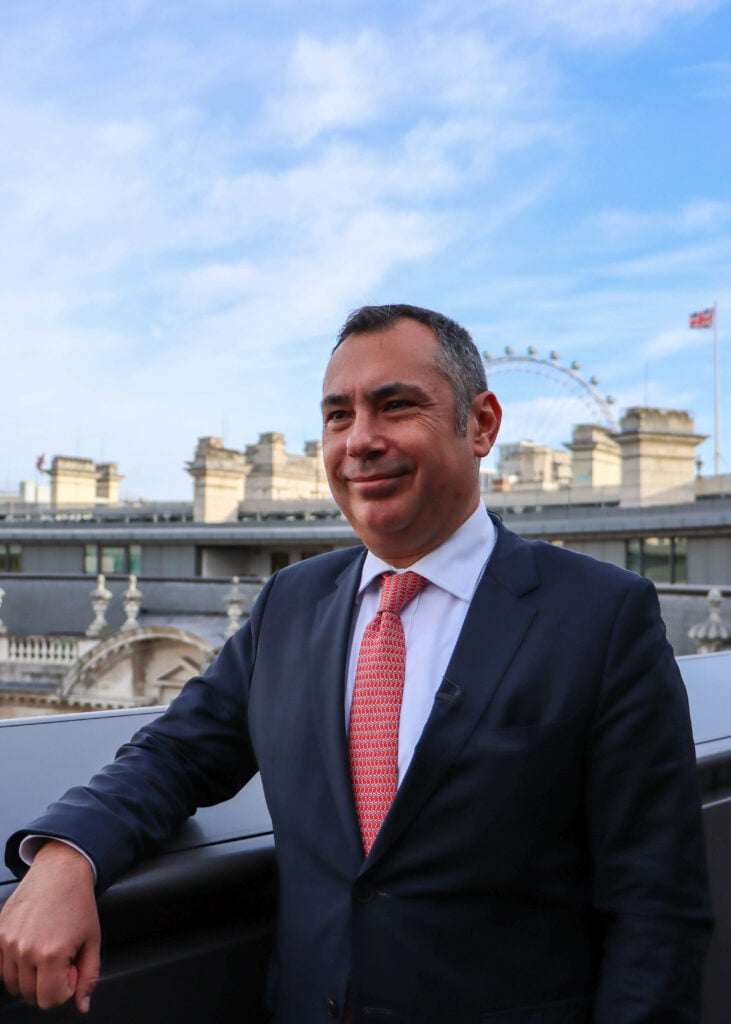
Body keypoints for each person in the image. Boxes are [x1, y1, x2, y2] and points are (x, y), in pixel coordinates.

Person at [0, 304, 712, 1022]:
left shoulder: (601, 616)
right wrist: (67, 856)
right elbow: (175, 754)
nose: (360, 440)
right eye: (338, 415)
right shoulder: (291, 601)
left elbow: (655, 907)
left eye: (395, 406)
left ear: (481, 424)